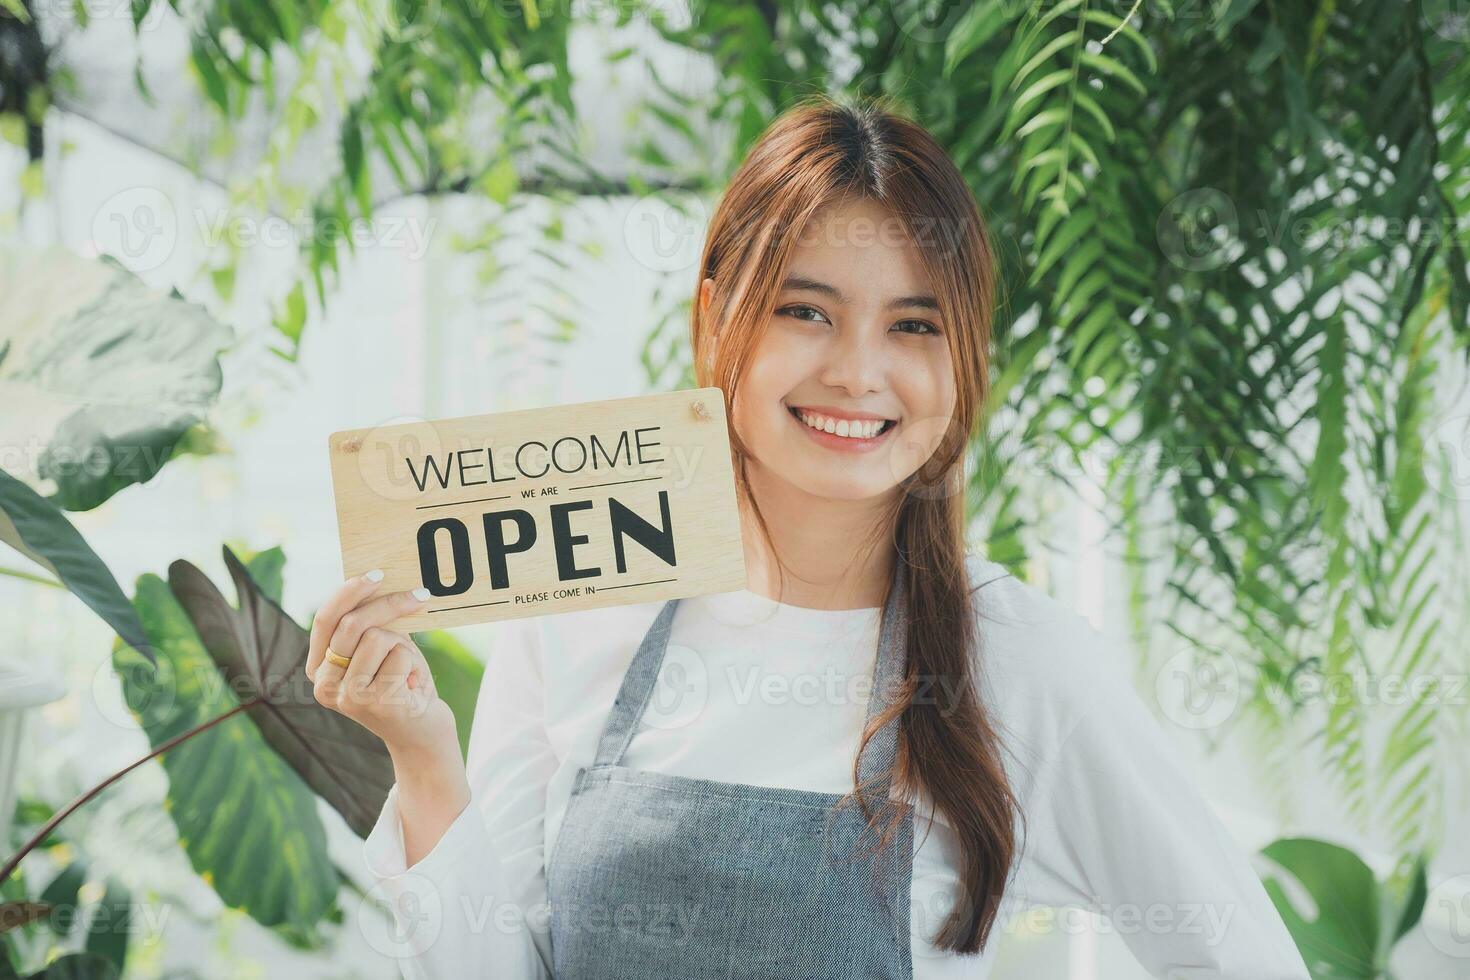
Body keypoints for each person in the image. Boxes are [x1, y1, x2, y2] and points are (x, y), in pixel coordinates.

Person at [304, 93, 1312, 979]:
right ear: (715, 318)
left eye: (913, 326)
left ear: (962, 354)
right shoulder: (578, 601)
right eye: (807, 311)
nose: (856, 373)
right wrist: (425, 757)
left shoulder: (1018, 657)